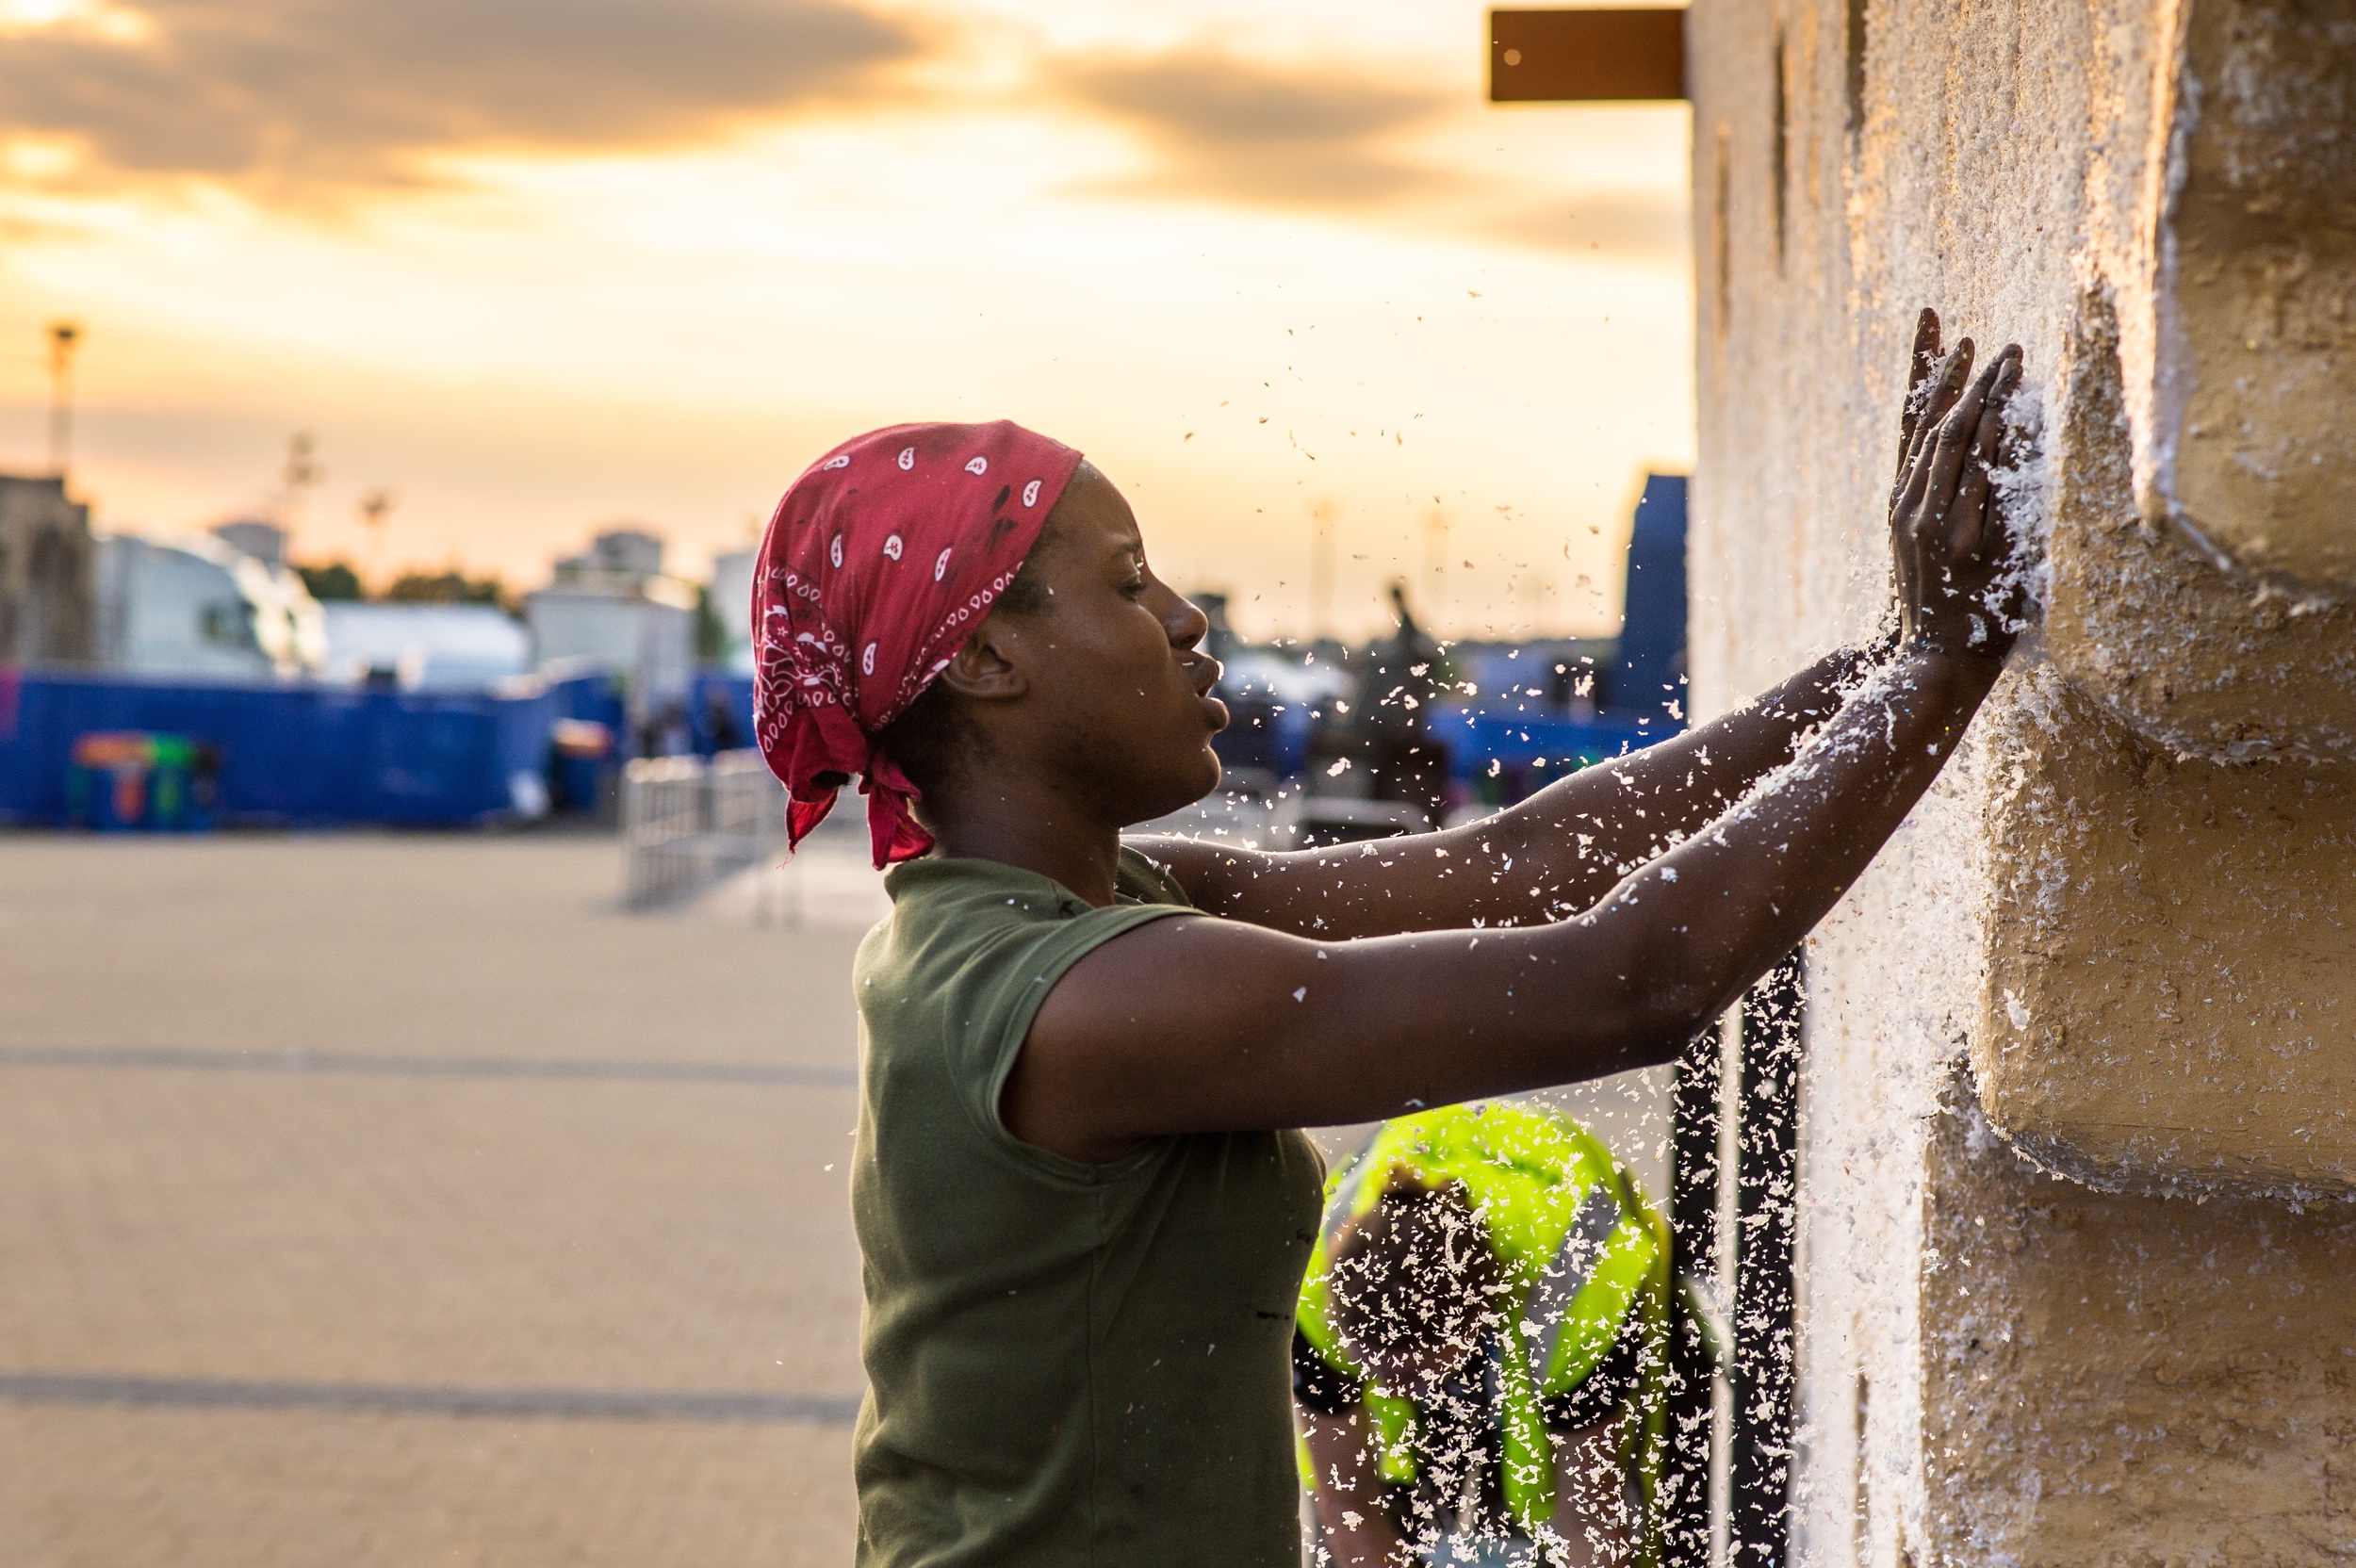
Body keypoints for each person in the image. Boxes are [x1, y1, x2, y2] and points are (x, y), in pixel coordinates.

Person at [748, 308, 2022, 1567]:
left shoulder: (1085, 906)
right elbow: (1634, 980)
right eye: (1129, 586)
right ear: (979, 659)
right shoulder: (1088, 1001)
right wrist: (1948, 663)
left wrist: (1885, 656)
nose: (1190, 620)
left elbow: (1520, 862)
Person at [1295, 1102, 1666, 1568]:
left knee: (1648, 1513)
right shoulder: (1312, 1296)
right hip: (1419, 1151)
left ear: (1480, 1317)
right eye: (1375, 1365)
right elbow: (1346, 1506)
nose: (1391, 1389)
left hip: (1576, 1206)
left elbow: (1592, 1523)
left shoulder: (1583, 1290)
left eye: (1414, 1371)